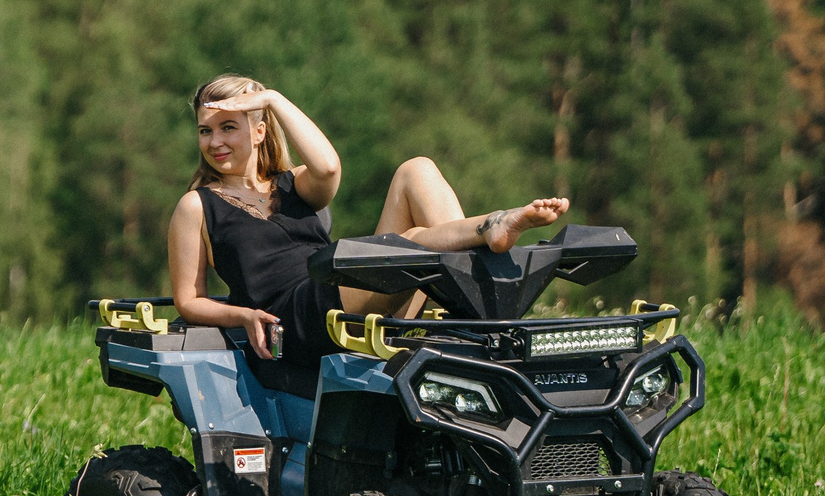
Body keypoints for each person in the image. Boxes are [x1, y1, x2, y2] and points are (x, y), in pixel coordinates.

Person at [166, 73, 569, 362]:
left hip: (342, 289)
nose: (214, 142)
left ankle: (478, 309)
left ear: (258, 131)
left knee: (417, 169)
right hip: (298, 317)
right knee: (407, 242)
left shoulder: (294, 184)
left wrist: (273, 99)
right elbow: (188, 300)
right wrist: (242, 315)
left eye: (228, 127)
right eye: (205, 131)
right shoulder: (197, 206)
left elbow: (327, 168)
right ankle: (489, 229)